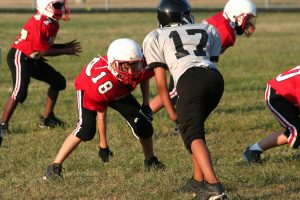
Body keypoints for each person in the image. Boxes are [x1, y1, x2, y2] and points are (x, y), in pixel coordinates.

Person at [43, 38, 165, 180]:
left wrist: (145, 105)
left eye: (135, 65)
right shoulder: (101, 85)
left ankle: (150, 161)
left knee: (143, 124)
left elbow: (143, 77)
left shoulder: (139, 63)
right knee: (86, 130)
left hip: (118, 87)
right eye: (126, 66)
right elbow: (102, 112)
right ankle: (54, 167)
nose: (131, 72)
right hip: (88, 86)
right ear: (114, 64)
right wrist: (103, 146)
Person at [143, 0, 226, 199]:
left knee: (192, 134)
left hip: (190, 80)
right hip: (215, 79)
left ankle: (214, 187)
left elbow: (161, 84)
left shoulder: (155, 36)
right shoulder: (208, 28)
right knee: (192, 130)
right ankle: (198, 180)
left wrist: (172, 112)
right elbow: (210, 60)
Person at [149, 0, 257, 130]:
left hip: (185, 54)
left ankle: (183, 122)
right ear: (236, 15)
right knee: (174, 93)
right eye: (247, 18)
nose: (249, 23)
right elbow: (210, 54)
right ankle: (145, 114)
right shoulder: (226, 32)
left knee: (179, 93)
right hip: (187, 59)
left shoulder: (223, 19)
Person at [0, 0, 82, 146]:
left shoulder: (52, 22)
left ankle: (47, 119)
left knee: (58, 82)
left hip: (33, 57)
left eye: (61, 5)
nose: (61, 8)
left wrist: (64, 45)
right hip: (20, 56)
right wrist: (65, 50)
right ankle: (2, 125)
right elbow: (43, 50)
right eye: (57, 5)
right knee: (20, 92)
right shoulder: (40, 21)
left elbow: (44, 46)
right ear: (46, 6)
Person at [243, 65, 300, 164]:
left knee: (295, 128)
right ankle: (252, 152)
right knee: (297, 130)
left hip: (289, 94)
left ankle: (254, 150)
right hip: (277, 96)